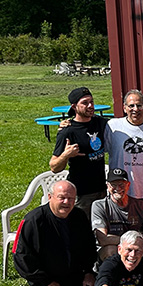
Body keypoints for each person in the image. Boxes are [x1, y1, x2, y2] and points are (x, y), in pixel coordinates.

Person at [15, 181, 96, 286]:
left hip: (74, 276)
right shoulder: (34, 220)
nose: (67, 202)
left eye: (71, 198)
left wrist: (89, 273)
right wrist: (45, 283)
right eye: (62, 198)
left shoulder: (79, 216)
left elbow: (89, 248)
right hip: (46, 280)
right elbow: (22, 258)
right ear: (50, 196)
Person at [49, 87, 108, 218]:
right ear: (74, 107)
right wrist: (66, 155)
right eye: (85, 103)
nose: (90, 106)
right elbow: (54, 167)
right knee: (82, 230)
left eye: (92, 102)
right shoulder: (68, 131)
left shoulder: (100, 123)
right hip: (81, 193)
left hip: (102, 190)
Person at [91, 167, 143, 261]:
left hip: (137, 249)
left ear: (128, 185)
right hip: (116, 248)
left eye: (121, 184)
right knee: (110, 250)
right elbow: (103, 238)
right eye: (113, 185)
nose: (118, 188)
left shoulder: (141, 206)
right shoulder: (99, 206)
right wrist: (135, 242)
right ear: (108, 186)